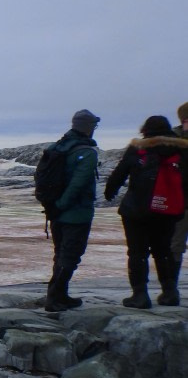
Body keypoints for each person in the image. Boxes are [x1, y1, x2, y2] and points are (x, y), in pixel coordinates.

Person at [104, 116, 187, 308]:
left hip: (136, 210)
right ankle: (170, 292)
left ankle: (140, 295)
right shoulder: (182, 150)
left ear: (144, 130)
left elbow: (119, 173)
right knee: (163, 251)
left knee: (138, 252)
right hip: (168, 210)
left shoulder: (138, 148)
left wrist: (110, 192)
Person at [44, 109, 101, 312]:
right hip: (76, 213)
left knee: (60, 253)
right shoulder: (86, 152)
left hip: (56, 212)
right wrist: (62, 205)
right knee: (71, 255)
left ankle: (59, 294)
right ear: (88, 127)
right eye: (93, 125)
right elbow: (78, 183)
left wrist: (54, 207)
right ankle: (55, 298)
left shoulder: (58, 147)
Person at [169, 101, 188, 299]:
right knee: (175, 244)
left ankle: (170, 288)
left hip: (180, 201)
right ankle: (170, 287)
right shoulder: (172, 142)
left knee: (175, 244)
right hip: (180, 201)